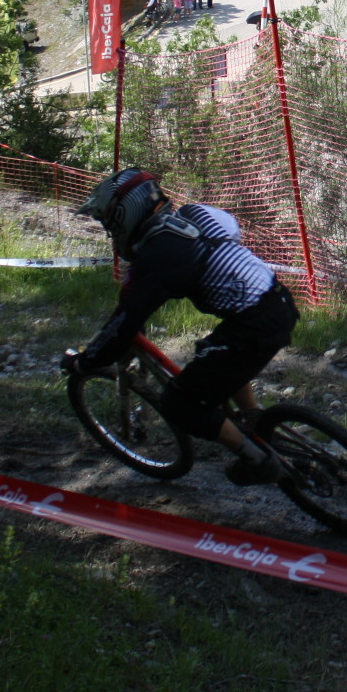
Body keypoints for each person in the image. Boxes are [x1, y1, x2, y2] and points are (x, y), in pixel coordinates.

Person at [62, 169, 298, 485]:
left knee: (179, 404)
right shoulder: (195, 213)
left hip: (255, 324)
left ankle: (257, 461)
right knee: (212, 354)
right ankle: (253, 416)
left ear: (127, 216)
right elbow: (231, 229)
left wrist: (84, 361)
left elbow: (122, 324)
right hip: (279, 301)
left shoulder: (157, 256)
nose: (111, 235)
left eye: (111, 226)